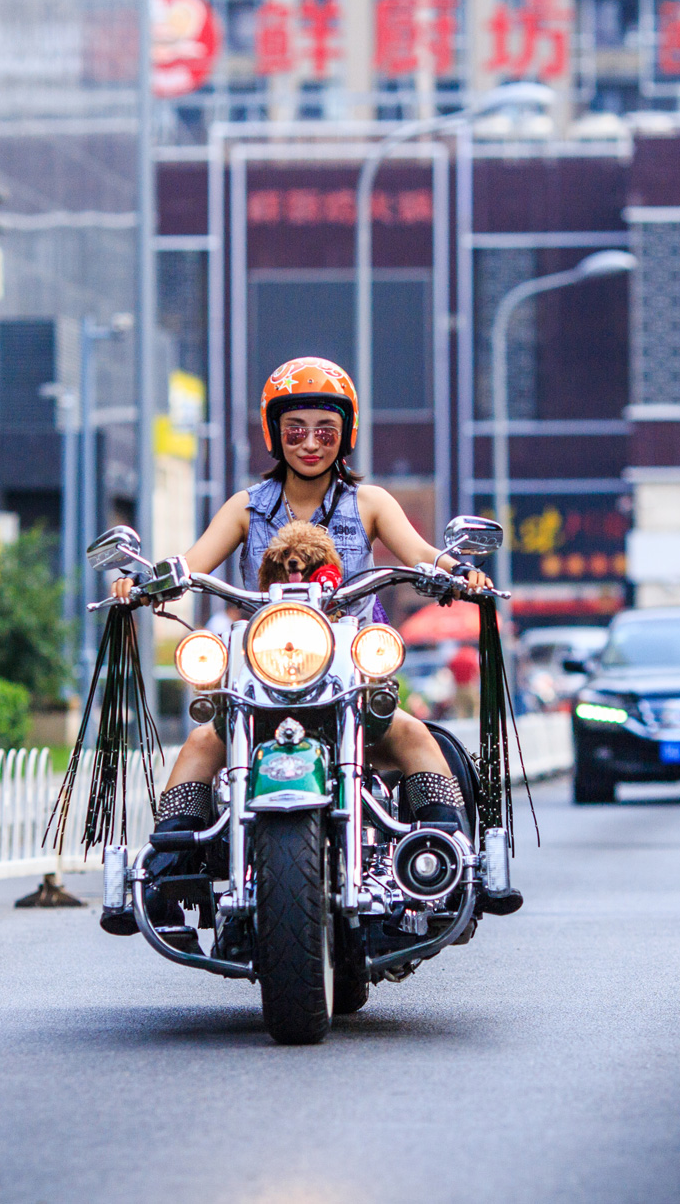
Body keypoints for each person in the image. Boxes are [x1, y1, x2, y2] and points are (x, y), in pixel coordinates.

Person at [106, 356, 498, 933]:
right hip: (263, 670)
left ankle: (455, 866)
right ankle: (163, 876)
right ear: (275, 434)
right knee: (198, 745)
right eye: (296, 431)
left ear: (346, 434)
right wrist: (144, 582)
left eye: (326, 430)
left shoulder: (371, 503)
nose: (311, 443)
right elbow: (191, 562)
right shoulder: (246, 506)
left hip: (350, 672)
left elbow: (420, 554)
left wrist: (458, 571)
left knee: (413, 735)